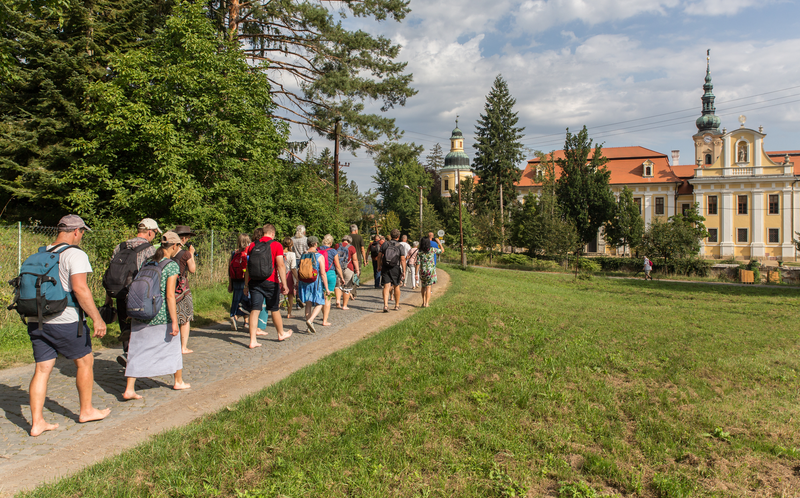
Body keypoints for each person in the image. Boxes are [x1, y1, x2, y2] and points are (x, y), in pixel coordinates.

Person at [27, 215, 110, 436]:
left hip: (36, 319)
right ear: (76, 231)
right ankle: (87, 410)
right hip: (65, 319)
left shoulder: (40, 253)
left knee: (42, 369)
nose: (82, 236)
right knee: (85, 362)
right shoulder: (75, 254)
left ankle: (37, 423)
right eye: (82, 232)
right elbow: (80, 289)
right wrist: (97, 318)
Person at [123, 231, 190, 400]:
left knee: (136, 350)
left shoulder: (148, 261)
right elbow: (169, 296)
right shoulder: (171, 265)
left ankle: (129, 388)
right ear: (174, 246)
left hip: (140, 311)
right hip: (159, 314)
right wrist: (174, 321)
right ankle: (178, 381)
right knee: (174, 347)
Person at [105, 218, 160, 367]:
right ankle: (134, 360)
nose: (155, 236)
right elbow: (151, 275)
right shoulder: (150, 250)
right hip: (139, 296)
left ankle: (127, 352)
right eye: (155, 233)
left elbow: (112, 273)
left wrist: (108, 297)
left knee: (124, 325)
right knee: (140, 327)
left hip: (119, 293)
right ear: (150, 232)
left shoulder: (120, 247)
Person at [244, 223, 291, 346]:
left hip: (254, 282)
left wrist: (246, 285)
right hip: (271, 282)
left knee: (255, 309)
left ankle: (253, 340)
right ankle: (281, 333)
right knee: (274, 309)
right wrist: (284, 284)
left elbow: (248, 267)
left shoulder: (252, 245)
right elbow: (280, 265)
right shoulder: (276, 245)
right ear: (272, 233)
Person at [173, 225, 197, 354]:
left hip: (168, 287)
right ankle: (183, 346)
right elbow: (192, 269)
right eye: (187, 238)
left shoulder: (167, 251)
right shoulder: (185, 253)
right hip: (182, 288)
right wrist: (191, 254)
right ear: (183, 238)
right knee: (185, 317)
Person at [297, 236, 328, 333]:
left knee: (308, 303)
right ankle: (310, 320)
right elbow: (322, 273)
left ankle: (309, 326)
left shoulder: (303, 255)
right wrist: (326, 288)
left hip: (304, 282)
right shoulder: (319, 256)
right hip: (315, 282)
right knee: (320, 303)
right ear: (315, 244)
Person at [378, 229, 407, 312]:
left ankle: (386, 306)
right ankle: (397, 305)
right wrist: (404, 271)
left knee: (386, 286)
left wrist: (379, 265)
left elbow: (380, 255)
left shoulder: (385, 244)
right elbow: (402, 259)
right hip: (395, 267)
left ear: (391, 235)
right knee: (396, 285)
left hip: (385, 266)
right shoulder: (400, 246)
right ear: (398, 237)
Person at [228, 234, 251, 330]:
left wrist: (230, 284)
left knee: (236, 299)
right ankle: (245, 321)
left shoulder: (234, 253)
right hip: (245, 279)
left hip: (235, 279)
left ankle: (234, 316)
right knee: (245, 301)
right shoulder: (249, 252)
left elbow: (229, 269)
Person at [319, 234, 343, 325]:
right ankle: (325, 320)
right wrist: (341, 277)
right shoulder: (333, 251)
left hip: (320, 275)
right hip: (330, 274)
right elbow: (337, 266)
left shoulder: (318, 249)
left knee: (321, 297)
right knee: (328, 298)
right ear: (331, 242)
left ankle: (324, 314)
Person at [418, 236, 444, 308]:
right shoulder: (432, 250)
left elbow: (417, 262)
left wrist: (415, 273)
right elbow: (442, 250)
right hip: (430, 271)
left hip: (422, 271)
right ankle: (427, 303)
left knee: (423, 286)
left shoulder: (419, 251)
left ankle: (423, 302)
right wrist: (439, 243)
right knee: (428, 287)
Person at [336, 235, 360, 310]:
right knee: (347, 287)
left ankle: (338, 301)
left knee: (338, 285)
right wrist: (357, 270)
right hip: (348, 268)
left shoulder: (337, 245)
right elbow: (355, 260)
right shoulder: (352, 247)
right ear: (349, 241)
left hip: (338, 268)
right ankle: (344, 305)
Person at [281, 237, 298, 318]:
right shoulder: (292, 254)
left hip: (279, 274)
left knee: (279, 293)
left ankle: (276, 308)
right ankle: (289, 313)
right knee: (290, 295)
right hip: (288, 275)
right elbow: (293, 268)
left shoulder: (279, 253)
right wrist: (297, 278)